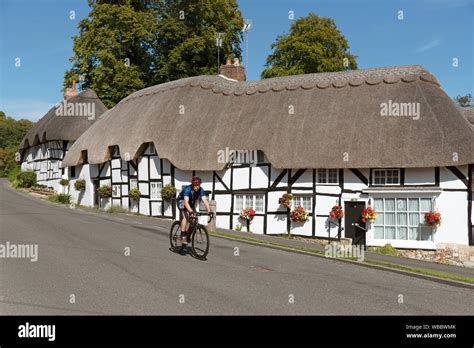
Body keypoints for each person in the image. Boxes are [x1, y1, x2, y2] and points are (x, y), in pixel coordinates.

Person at [176, 176, 212, 244]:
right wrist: (191, 212)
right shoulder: (188, 189)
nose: (197, 187)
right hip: (182, 201)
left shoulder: (201, 190)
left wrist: (209, 211)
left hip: (190, 203)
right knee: (186, 216)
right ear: (193, 185)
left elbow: (205, 201)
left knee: (194, 219)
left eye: (198, 185)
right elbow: (186, 203)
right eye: (196, 185)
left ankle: (188, 235)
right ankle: (183, 235)